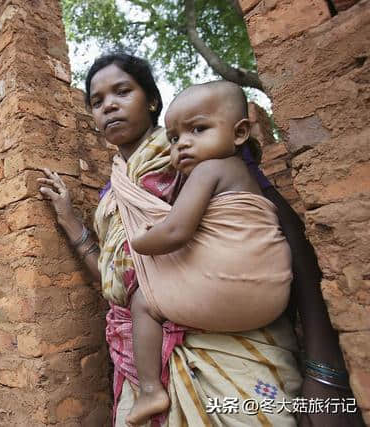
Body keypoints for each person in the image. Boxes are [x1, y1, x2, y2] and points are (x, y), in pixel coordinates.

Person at [38, 53, 360, 426]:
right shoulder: (114, 190)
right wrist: (69, 221)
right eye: (97, 101)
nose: (109, 105)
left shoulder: (200, 151)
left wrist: (325, 369)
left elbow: (284, 232)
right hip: (140, 349)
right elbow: (119, 281)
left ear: (152, 101)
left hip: (229, 338)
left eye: (123, 91)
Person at [118, 80, 293, 424]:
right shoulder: (245, 175)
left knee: (142, 302)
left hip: (222, 296)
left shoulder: (208, 169)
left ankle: (151, 390)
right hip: (271, 299)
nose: (183, 143)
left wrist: (140, 240)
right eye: (173, 138)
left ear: (240, 132)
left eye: (198, 129)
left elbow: (176, 231)